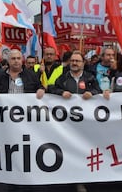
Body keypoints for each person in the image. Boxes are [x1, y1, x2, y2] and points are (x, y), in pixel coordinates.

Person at [49, 50, 101, 192]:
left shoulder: (90, 77)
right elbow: (51, 88)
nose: (74, 63)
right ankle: (70, 179)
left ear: (83, 63)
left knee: (84, 151)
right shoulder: (63, 78)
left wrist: (93, 93)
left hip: (86, 124)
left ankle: (81, 180)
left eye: (77, 61)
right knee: (69, 151)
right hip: (68, 124)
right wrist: (61, 93)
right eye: (72, 61)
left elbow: (99, 90)